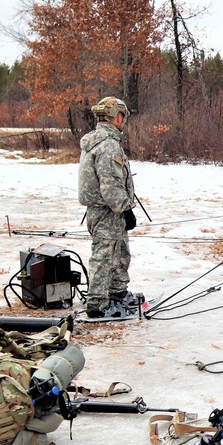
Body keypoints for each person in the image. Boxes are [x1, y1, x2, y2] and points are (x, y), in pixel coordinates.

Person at [78, 97, 138, 319]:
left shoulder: (98, 141)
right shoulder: (107, 145)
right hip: (107, 211)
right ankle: (97, 303)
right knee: (104, 255)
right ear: (117, 117)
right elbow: (110, 185)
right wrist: (126, 209)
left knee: (120, 252)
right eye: (123, 117)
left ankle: (117, 292)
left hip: (108, 211)